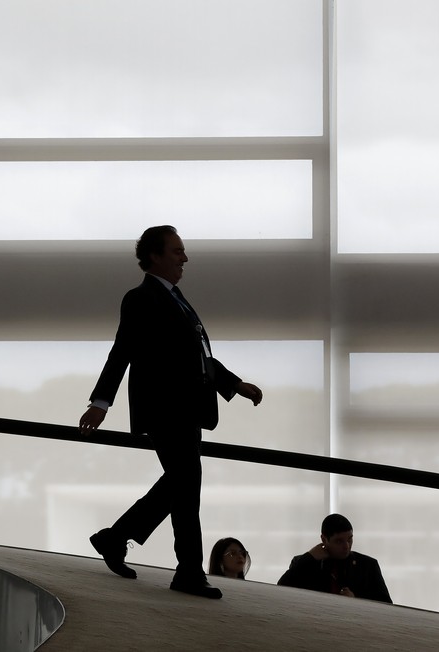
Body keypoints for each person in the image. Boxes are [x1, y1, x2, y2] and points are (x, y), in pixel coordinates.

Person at [79, 225, 264, 600]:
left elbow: (199, 358)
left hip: (186, 411)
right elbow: (122, 352)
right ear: (155, 256)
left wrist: (234, 384)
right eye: (178, 251)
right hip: (165, 411)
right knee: (186, 487)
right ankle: (189, 572)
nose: (185, 258)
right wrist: (101, 403)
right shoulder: (141, 298)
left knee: (180, 484)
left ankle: (114, 537)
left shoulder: (176, 298)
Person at [277, 513, 392, 603]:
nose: (346, 546)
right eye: (339, 541)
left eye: (349, 539)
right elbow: (281, 591)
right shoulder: (305, 563)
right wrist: (309, 558)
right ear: (324, 539)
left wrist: (357, 601)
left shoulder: (368, 565)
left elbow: (387, 607)